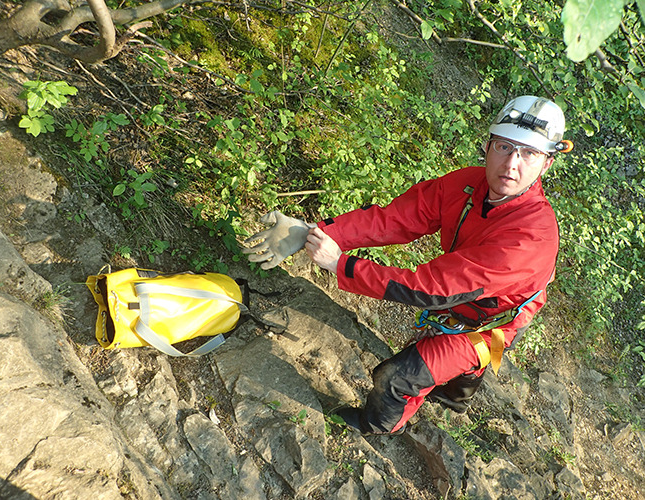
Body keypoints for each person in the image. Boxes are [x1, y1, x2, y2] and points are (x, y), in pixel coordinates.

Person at [243, 96, 573, 435]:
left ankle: (381, 424)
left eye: (529, 154)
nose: (512, 164)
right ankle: (457, 389)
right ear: (488, 146)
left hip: (491, 324)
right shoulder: (466, 184)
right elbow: (396, 220)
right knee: (448, 370)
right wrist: (316, 233)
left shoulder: (531, 237)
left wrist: (341, 265)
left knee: (396, 377)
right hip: (460, 298)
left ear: (546, 164)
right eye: (504, 147)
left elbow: (431, 290)